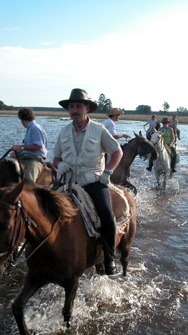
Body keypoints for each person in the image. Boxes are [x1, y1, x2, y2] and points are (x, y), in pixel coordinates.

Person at [53, 88, 123, 276]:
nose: (74, 110)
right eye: (71, 107)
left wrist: (108, 172)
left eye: (78, 106)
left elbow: (117, 152)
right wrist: (59, 166)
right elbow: (56, 158)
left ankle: (109, 258)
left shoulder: (98, 130)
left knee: (107, 215)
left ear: (87, 109)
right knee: (43, 208)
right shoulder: (64, 131)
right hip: (68, 183)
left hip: (93, 182)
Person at [10, 107, 48, 185]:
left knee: (28, 182)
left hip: (35, 159)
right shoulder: (30, 128)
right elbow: (28, 147)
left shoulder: (35, 128)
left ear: (22, 119)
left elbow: (38, 147)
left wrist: (20, 147)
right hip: (26, 157)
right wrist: (18, 151)